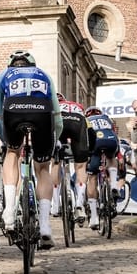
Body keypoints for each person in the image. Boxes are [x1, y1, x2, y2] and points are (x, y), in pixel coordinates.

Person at [0, 49, 61, 250]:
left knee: (12, 154)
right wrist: (53, 141)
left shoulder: (2, 75)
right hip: (42, 113)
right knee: (43, 168)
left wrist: (9, 143)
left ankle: (9, 212)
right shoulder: (44, 75)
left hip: (13, 111)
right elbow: (58, 120)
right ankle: (45, 226)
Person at [52, 92, 89, 222]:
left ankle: (55, 205)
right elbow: (89, 129)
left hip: (60, 121)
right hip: (78, 121)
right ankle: (79, 203)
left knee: (55, 162)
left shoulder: (51, 105)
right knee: (81, 166)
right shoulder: (77, 105)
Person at [84, 106, 120, 230]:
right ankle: (114, 184)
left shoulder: (86, 120)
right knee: (111, 158)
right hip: (110, 141)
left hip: (95, 143)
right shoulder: (106, 118)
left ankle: (94, 217)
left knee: (92, 177)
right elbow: (115, 134)